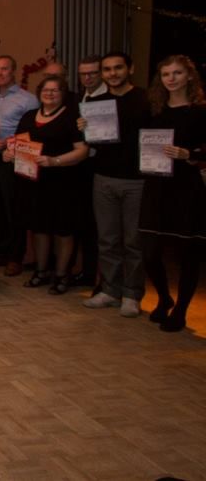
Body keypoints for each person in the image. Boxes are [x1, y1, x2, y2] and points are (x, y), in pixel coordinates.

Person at [79, 52, 152, 318]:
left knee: (133, 240)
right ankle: (110, 290)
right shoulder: (96, 102)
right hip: (104, 178)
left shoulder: (146, 100)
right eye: (107, 69)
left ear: (129, 69)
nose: (113, 73)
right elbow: (94, 143)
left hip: (137, 180)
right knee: (107, 238)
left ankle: (132, 294)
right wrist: (85, 128)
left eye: (118, 68)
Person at [139, 55, 206, 332]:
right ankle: (165, 297)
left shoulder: (201, 111)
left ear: (189, 76)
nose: (171, 78)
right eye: (166, 74)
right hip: (156, 185)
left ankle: (181, 310)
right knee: (149, 252)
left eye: (177, 73)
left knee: (187, 252)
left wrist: (190, 154)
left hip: (186, 187)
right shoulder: (154, 109)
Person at [5, 75, 89, 294]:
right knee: (39, 228)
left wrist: (55, 161)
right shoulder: (29, 116)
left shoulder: (72, 118)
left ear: (63, 94)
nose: (50, 94)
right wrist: (9, 153)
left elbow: (82, 150)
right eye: (46, 90)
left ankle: (62, 274)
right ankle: (41, 271)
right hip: (34, 182)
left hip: (63, 182)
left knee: (63, 230)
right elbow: (17, 144)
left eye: (55, 90)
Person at [0, 55, 40, 276]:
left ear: (13, 71)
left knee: (14, 208)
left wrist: (8, 143)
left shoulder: (28, 100)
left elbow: (34, 133)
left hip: (15, 159)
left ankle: (16, 256)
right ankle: (0, 251)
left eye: (4, 69)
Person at [72, 55, 107, 287]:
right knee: (85, 223)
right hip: (81, 167)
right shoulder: (78, 98)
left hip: (104, 167)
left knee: (104, 228)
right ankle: (87, 272)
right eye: (83, 73)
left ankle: (104, 279)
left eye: (92, 73)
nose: (87, 77)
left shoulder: (110, 99)